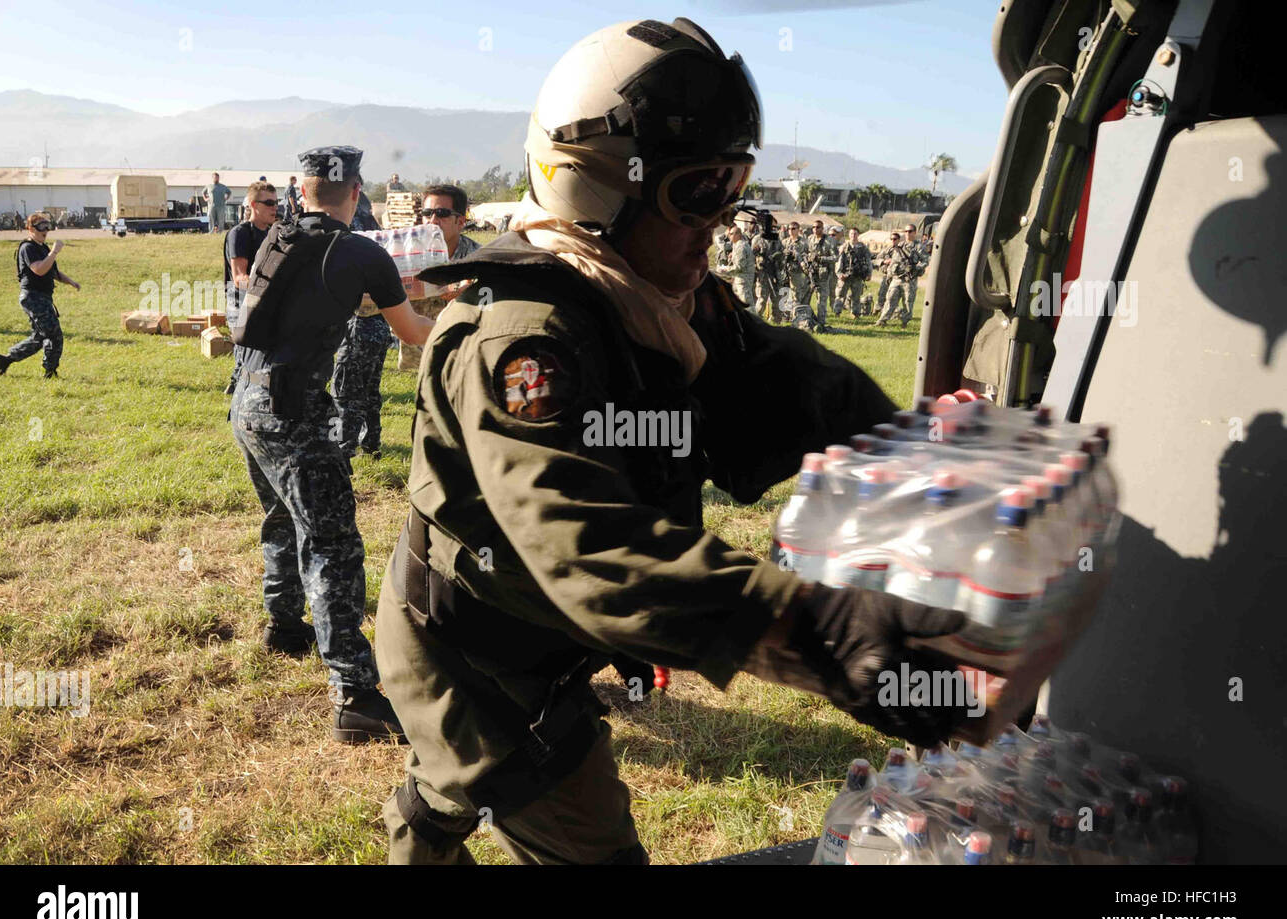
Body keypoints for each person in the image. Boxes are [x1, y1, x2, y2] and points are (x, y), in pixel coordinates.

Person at [374, 18, 984, 866]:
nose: (721, 222)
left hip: (533, 629)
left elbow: (791, 384)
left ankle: (434, 803)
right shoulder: (524, 343)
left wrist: (924, 460)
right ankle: (438, 800)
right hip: (478, 654)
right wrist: (844, 644)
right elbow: (594, 556)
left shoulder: (653, 303)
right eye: (697, 193)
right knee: (552, 806)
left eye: (733, 190)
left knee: (455, 783)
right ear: (599, 191)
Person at [228, 145, 432, 742]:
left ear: (303, 188)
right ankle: (354, 694)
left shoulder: (279, 238)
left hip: (246, 401)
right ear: (358, 189)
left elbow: (318, 302)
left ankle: (283, 624)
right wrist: (469, 312)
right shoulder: (361, 251)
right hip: (294, 411)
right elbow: (413, 331)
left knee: (280, 519)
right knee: (334, 544)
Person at [329, 183, 391, 458]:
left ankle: (345, 448)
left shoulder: (346, 224)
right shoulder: (370, 218)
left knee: (345, 390)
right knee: (370, 387)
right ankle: (371, 443)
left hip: (357, 321)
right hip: (379, 322)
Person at [396, 184, 480, 373]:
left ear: (460, 221)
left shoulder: (477, 257)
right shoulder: (407, 254)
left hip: (462, 349)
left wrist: (468, 292)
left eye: (442, 213)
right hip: (417, 350)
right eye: (427, 213)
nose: (432, 220)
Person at [0, 213, 79, 379]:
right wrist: (54, 252)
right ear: (31, 229)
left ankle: (5, 360)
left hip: (42, 297)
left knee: (39, 337)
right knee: (54, 335)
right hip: (33, 297)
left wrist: (70, 282)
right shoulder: (28, 248)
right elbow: (39, 269)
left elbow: (52, 271)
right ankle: (50, 371)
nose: (46, 230)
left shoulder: (43, 248)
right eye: (41, 226)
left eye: (47, 225)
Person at [223, 182, 279, 394]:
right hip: (241, 300)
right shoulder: (241, 233)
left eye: (276, 203)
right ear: (254, 205)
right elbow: (239, 278)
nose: (275, 208)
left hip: (266, 299)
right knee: (246, 346)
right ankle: (238, 383)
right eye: (269, 203)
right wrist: (269, 289)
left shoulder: (276, 233)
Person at [876, 231, 915, 327]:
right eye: (892, 239)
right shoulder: (888, 250)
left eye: (895, 239)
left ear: (899, 240)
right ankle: (881, 319)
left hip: (906, 279)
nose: (893, 241)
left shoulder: (906, 249)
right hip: (892, 277)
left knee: (907, 301)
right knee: (888, 299)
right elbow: (877, 259)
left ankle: (904, 322)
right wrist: (884, 261)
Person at [833, 226, 873, 319]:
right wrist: (839, 274)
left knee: (856, 296)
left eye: (855, 234)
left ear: (858, 235)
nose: (853, 236)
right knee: (840, 295)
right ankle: (837, 312)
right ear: (849, 235)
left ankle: (855, 314)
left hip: (857, 276)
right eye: (851, 234)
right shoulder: (844, 246)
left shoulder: (863, 248)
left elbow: (868, 261)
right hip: (845, 275)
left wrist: (869, 274)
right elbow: (839, 261)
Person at [716, 225, 755, 307]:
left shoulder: (740, 247)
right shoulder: (738, 245)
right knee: (737, 305)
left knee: (747, 306)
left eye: (731, 234)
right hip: (740, 280)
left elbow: (738, 267)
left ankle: (752, 320)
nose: (729, 236)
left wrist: (724, 269)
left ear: (738, 235)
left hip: (743, 281)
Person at [806, 219, 837, 321]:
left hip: (823, 273)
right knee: (806, 297)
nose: (815, 229)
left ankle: (821, 321)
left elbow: (835, 257)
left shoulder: (829, 240)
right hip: (810, 272)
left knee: (822, 299)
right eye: (813, 227)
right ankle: (805, 318)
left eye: (818, 227)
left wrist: (821, 258)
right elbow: (805, 253)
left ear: (822, 228)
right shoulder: (810, 239)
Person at [781, 220, 809, 318]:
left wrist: (797, 255)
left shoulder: (803, 242)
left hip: (796, 271)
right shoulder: (784, 242)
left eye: (793, 229)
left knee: (796, 294)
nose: (791, 231)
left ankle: (795, 315)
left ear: (798, 230)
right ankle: (785, 315)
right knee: (784, 293)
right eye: (789, 229)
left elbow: (807, 255)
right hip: (785, 271)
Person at [902, 223, 928, 318]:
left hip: (910, 277)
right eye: (906, 231)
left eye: (910, 231)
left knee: (908, 300)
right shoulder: (901, 245)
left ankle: (905, 321)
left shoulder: (918, 246)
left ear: (915, 232)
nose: (907, 233)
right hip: (898, 277)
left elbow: (925, 260)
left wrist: (916, 268)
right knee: (891, 298)